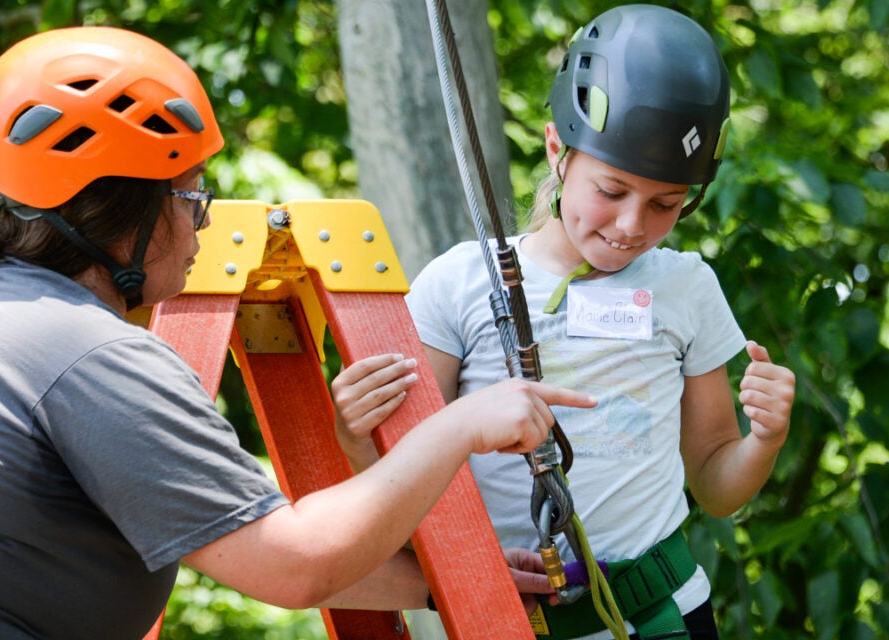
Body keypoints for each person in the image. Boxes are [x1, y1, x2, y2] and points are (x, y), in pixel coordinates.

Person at [0, 26, 594, 640]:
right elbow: (294, 564)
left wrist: (439, 581)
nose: (200, 228)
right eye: (188, 200)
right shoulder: (85, 353)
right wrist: (460, 426)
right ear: (123, 212)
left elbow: (224, 537)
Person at [333, 5, 796, 640]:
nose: (633, 225)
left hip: (662, 615)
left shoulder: (685, 286)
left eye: (666, 204)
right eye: (610, 191)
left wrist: (764, 439)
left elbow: (714, 484)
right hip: (500, 619)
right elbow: (401, 474)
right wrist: (355, 438)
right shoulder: (462, 283)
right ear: (558, 151)